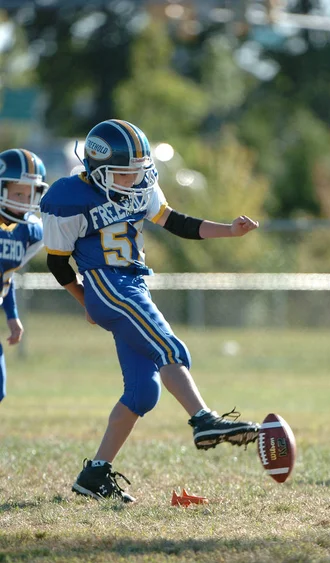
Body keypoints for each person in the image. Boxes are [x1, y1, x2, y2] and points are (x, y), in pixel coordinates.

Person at [41, 119, 260, 503]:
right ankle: (203, 420)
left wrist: (229, 229)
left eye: (137, 172)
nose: (133, 180)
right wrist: (85, 302)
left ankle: (94, 475)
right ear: (97, 169)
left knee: (143, 393)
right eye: (123, 174)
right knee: (170, 348)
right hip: (106, 284)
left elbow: (175, 222)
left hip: (133, 285)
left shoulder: (140, 187)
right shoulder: (69, 197)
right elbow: (58, 264)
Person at [0, 148, 48, 402]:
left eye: (30, 194)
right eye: (18, 193)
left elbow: (6, 276)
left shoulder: (29, 231)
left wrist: (12, 316)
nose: (24, 201)